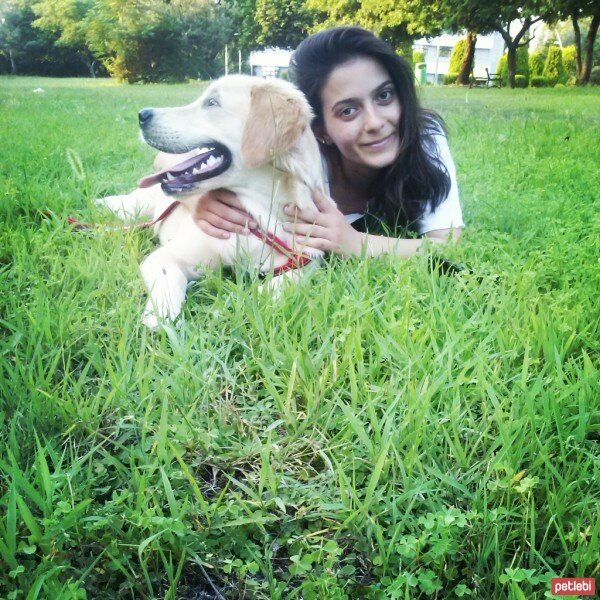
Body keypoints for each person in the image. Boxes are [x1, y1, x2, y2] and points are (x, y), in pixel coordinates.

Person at [193, 26, 463, 258]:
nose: (375, 122)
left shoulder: (425, 138)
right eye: (348, 110)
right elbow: (170, 157)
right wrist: (197, 198)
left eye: (384, 96)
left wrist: (357, 243)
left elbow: (447, 245)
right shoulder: (296, 151)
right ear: (319, 128)